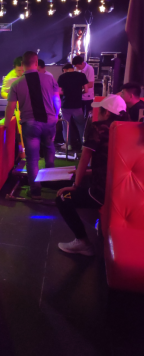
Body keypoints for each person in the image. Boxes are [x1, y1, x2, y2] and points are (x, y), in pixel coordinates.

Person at [55, 95, 128, 256]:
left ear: (106, 113)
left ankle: (83, 242)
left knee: (62, 198)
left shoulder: (98, 128)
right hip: (123, 190)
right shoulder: (126, 128)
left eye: (100, 110)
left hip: (102, 191)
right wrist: (87, 172)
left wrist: (75, 185)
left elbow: (85, 156)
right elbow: (111, 164)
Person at [5, 51, 61, 200]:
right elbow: (57, 100)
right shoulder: (49, 78)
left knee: (32, 158)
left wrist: (6, 125)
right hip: (49, 122)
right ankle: (50, 181)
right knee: (49, 148)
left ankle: (35, 191)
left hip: (30, 125)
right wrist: (56, 115)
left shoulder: (16, 84)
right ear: (36, 63)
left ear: (22, 64)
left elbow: (10, 107)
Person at [57, 63, 89, 146]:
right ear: (72, 68)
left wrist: (66, 93)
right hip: (77, 105)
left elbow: (59, 91)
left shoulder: (62, 77)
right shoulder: (81, 75)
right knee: (81, 125)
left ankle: (68, 145)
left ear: (64, 70)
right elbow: (86, 90)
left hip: (66, 105)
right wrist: (79, 93)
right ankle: (83, 145)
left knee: (66, 125)